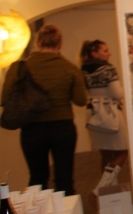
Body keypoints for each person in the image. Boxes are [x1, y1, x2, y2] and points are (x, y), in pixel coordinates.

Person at [2, 24, 87, 195]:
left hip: (32, 129)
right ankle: (67, 210)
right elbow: (80, 100)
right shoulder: (70, 68)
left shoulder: (19, 67)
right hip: (63, 128)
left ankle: (39, 211)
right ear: (60, 44)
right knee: (64, 179)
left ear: (38, 43)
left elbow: (5, 98)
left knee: (37, 178)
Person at [79, 39, 128, 183]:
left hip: (93, 114)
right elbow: (117, 94)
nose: (109, 53)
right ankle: (101, 187)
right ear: (94, 53)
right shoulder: (108, 69)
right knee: (122, 152)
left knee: (105, 154)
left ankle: (109, 190)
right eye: (105, 50)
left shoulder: (82, 70)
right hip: (110, 112)